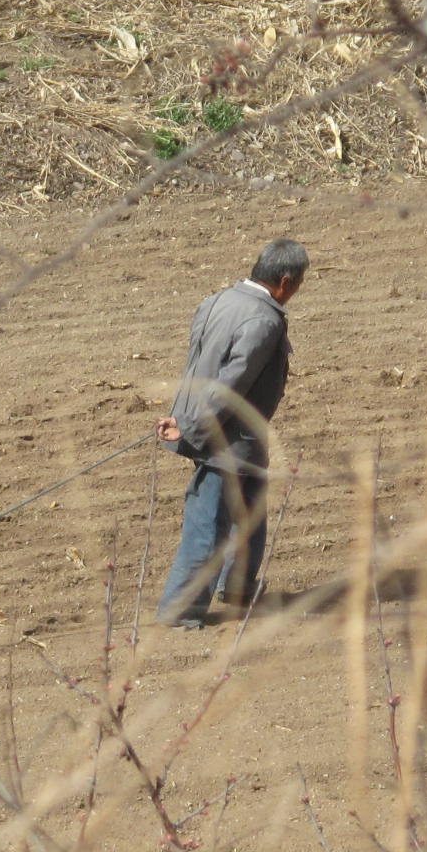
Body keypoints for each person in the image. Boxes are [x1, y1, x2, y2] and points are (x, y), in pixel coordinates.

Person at [155, 238, 308, 627]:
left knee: (250, 511)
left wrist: (182, 418)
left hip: (219, 429)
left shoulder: (218, 300)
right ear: (286, 282)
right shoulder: (264, 320)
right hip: (227, 438)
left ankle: (239, 589)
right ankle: (180, 613)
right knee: (208, 527)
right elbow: (229, 385)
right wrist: (192, 427)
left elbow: (196, 367)